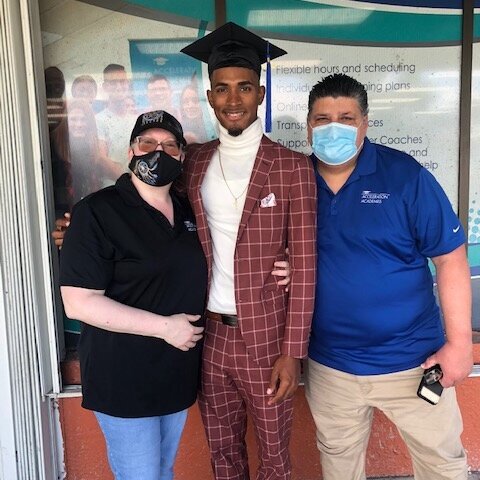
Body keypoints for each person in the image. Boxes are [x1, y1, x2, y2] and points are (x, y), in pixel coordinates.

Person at [304, 73, 472, 480]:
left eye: (346, 117)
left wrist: (461, 345)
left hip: (413, 361)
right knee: (339, 465)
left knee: (442, 465)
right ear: (308, 125)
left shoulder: (405, 177)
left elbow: (450, 258)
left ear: (365, 123)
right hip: (330, 367)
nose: (333, 128)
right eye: (322, 119)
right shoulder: (294, 180)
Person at [181, 22, 317, 480]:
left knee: (276, 458)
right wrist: (81, 221)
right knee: (223, 453)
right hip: (211, 337)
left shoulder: (291, 167)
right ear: (210, 96)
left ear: (260, 94)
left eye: (243, 88)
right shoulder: (195, 161)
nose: (232, 100)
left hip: (267, 341)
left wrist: (292, 352)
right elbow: (148, 208)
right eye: (222, 89)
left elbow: (307, 261)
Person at [59, 110, 207, 480]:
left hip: (174, 371)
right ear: (130, 152)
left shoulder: (191, 210)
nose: (158, 151)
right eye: (147, 143)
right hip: (123, 374)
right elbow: (79, 302)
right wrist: (164, 328)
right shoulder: (96, 212)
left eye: (169, 145)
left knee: (161, 469)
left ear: (181, 157)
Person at [50, 98, 102, 216]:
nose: (79, 124)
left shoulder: (91, 147)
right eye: (73, 119)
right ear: (65, 121)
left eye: (83, 120)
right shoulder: (51, 146)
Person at [95, 64, 137, 186]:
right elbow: (101, 158)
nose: (119, 87)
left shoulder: (136, 120)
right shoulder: (99, 120)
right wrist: (128, 182)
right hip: (113, 188)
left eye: (122, 81)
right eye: (113, 83)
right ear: (105, 87)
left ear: (127, 84)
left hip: (137, 189)